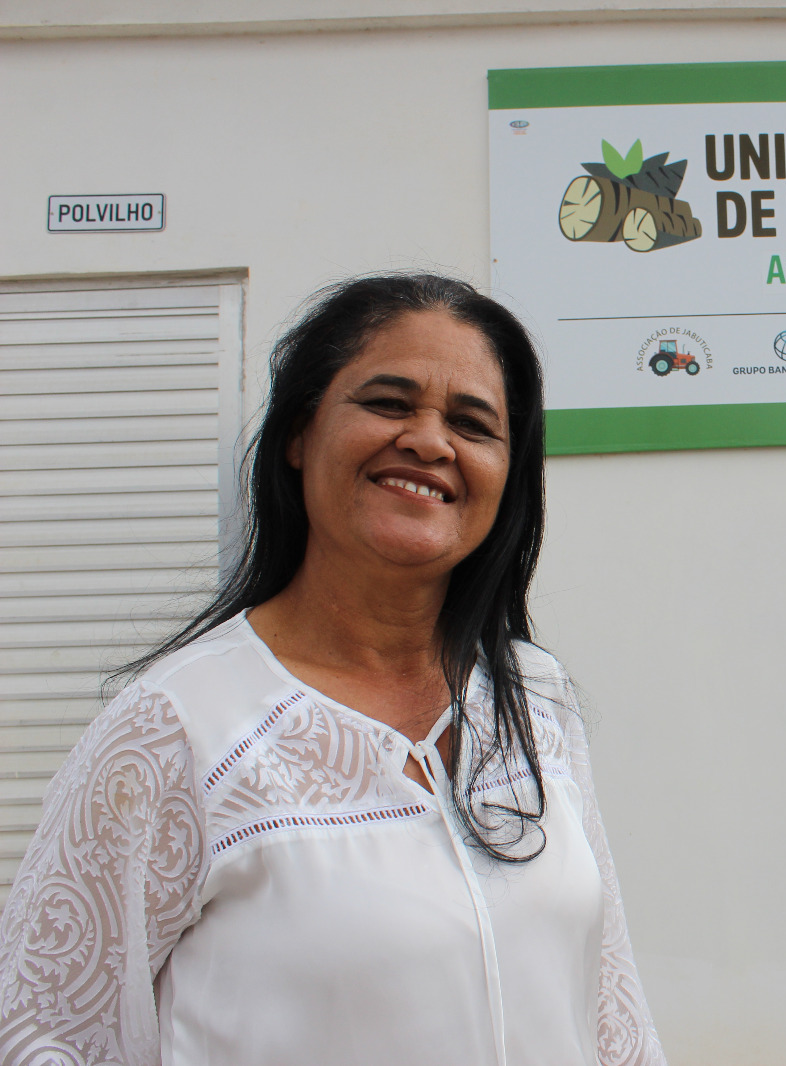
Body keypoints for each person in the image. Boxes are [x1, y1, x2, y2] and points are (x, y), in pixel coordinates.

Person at [0, 275, 666, 1066]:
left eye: (472, 423)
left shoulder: (531, 695)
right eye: (388, 402)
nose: (430, 441)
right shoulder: (177, 726)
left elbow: (609, 1010)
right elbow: (45, 1033)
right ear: (298, 434)